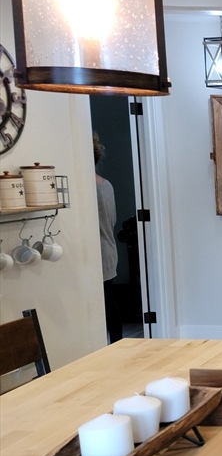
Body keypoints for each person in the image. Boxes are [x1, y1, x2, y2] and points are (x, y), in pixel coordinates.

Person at [94, 134, 121, 343]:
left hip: (98, 253)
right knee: (108, 302)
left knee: (103, 305)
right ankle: (117, 344)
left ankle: (113, 345)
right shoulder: (107, 185)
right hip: (108, 249)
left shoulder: (89, 189)